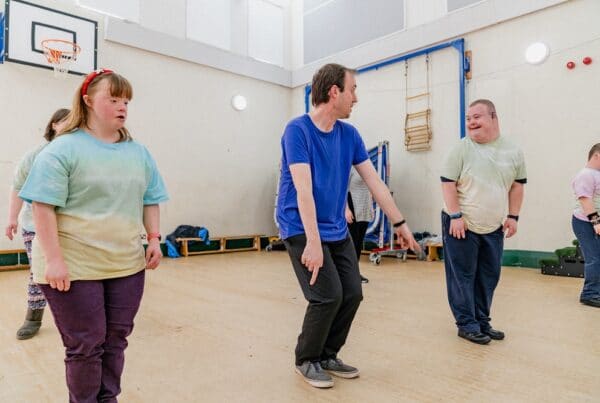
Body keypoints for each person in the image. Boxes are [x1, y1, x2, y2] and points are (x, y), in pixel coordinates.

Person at [18, 68, 169, 402]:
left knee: (116, 339)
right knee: (86, 344)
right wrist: (54, 260)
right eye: (113, 99)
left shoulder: (138, 152)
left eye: (126, 100)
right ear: (87, 101)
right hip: (72, 265)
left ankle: (107, 398)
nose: (122, 106)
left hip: (126, 264)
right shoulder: (62, 149)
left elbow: (151, 198)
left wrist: (154, 238)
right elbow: (43, 207)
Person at [277, 63, 420, 388]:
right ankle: (306, 358)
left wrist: (401, 223)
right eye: (352, 89)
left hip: (335, 228)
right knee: (327, 295)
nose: (356, 98)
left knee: (352, 293)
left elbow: (375, 183)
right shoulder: (297, 130)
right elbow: (303, 190)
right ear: (334, 92)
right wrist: (312, 243)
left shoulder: (349, 135)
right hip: (300, 225)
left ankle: (328, 354)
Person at [440, 99, 526, 345]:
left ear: (493, 117)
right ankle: (467, 324)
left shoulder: (513, 151)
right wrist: (455, 216)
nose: (471, 122)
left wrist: (513, 216)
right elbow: (447, 183)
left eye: (477, 117)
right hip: (461, 223)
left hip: (494, 225)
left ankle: (482, 321)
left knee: (489, 275)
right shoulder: (460, 149)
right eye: (468, 119)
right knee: (463, 276)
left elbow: (518, 185)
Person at [5, 108, 70, 340]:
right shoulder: (36, 155)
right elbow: (19, 186)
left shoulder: (79, 154)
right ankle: (33, 317)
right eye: (65, 122)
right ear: (53, 125)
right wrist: (12, 218)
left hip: (70, 228)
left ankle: (73, 318)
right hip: (36, 225)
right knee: (38, 272)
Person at [571, 143, 600, 308]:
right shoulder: (586, 175)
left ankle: (596, 291)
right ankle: (589, 294)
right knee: (594, 258)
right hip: (584, 222)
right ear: (597, 156)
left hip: (594, 223)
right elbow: (585, 199)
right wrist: (595, 222)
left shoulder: (597, 174)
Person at [345, 166, 374, 283]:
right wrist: (346, 209)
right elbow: (342, 189)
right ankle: (349, 274)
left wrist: (371, 206)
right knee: (352, 243)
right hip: (352, 205)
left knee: (358, 243)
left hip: (364, 206)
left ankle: (355, 273)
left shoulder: (367, 166)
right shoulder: (349, 167)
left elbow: (371, 186)